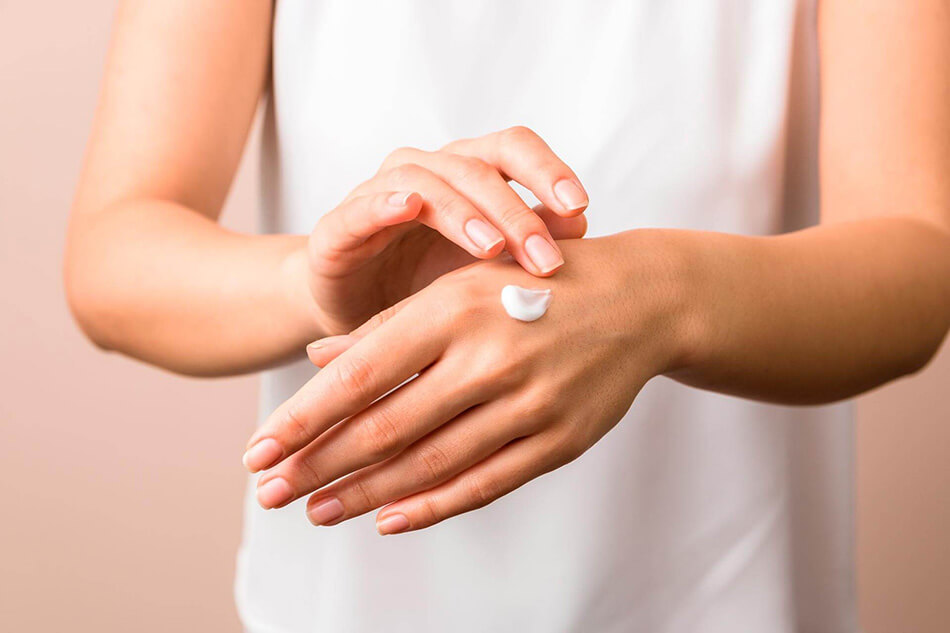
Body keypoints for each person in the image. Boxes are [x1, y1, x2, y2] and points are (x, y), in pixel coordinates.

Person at [64, 1, 950, 631]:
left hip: (730, 597)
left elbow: (919, 261)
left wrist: (662, 297)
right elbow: (114, 252)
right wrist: (319, 280)